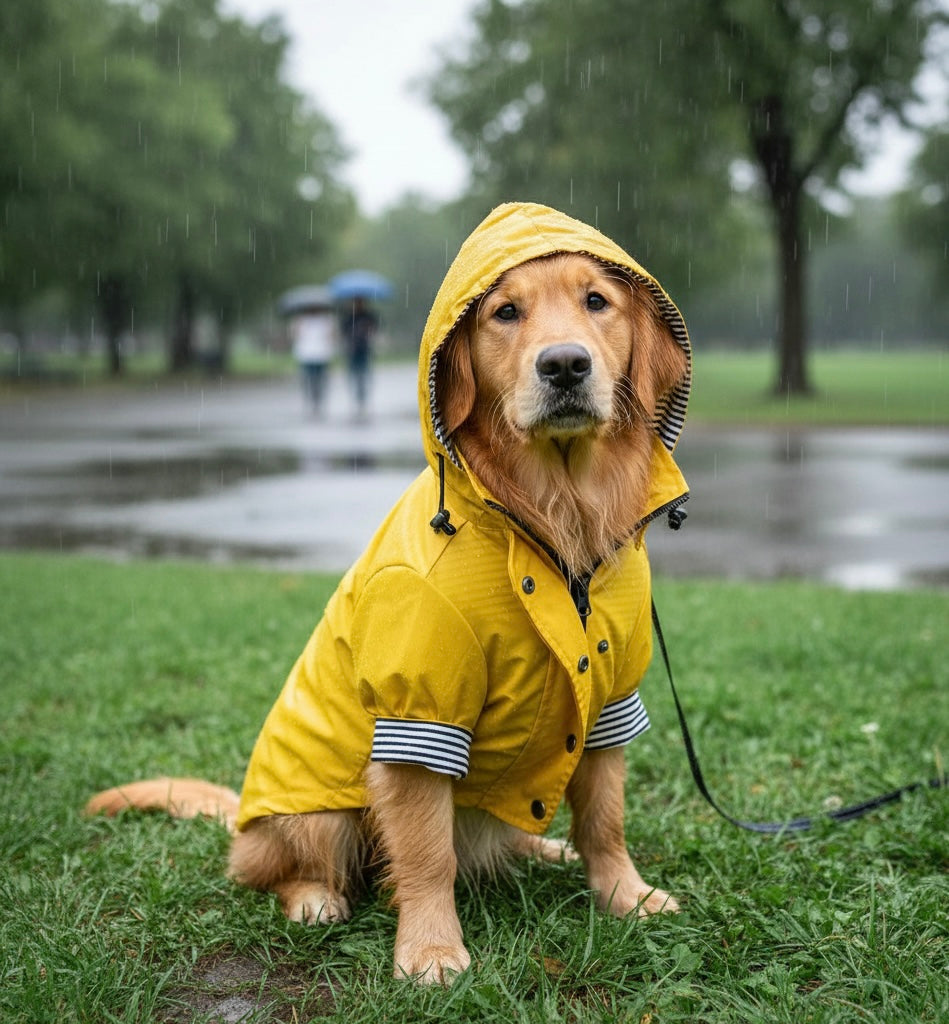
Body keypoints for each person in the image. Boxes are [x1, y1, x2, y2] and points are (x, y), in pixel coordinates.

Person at [290, 305, 335, 417]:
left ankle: (318, 401)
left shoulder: (327, 320)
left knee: (320, 380)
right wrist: (296, 324)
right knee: (308, 380)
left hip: (322, 355)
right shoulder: (301, 321)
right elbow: (295, 335)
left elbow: (331, 336)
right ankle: (311, 400)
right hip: (306, 355)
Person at [340, 297, 378, 417]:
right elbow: (343, 332)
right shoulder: (348, 317)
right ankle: (356, 399)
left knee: (364, 376)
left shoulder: (368, 316)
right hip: (351, 351)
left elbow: (375, 329)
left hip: (364, 350)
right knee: (353, 376)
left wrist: (367, 329)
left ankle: (363, 400)